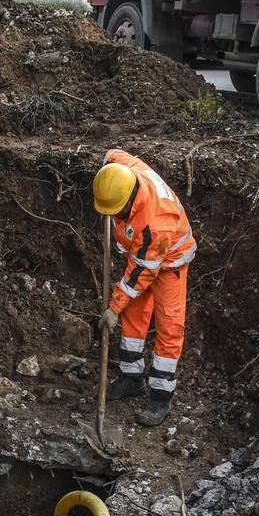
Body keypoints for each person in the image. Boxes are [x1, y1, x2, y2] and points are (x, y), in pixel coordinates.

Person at [91, 148, 196, 426]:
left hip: (169, 262)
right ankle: (131, 378)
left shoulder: (155, 223)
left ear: (128, 202)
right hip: (141, 258)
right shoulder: (120, 168)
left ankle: (161, 396)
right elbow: (110, 154)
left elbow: (141, 274)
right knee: (134, 319)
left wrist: (113, 307)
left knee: (169, 327)